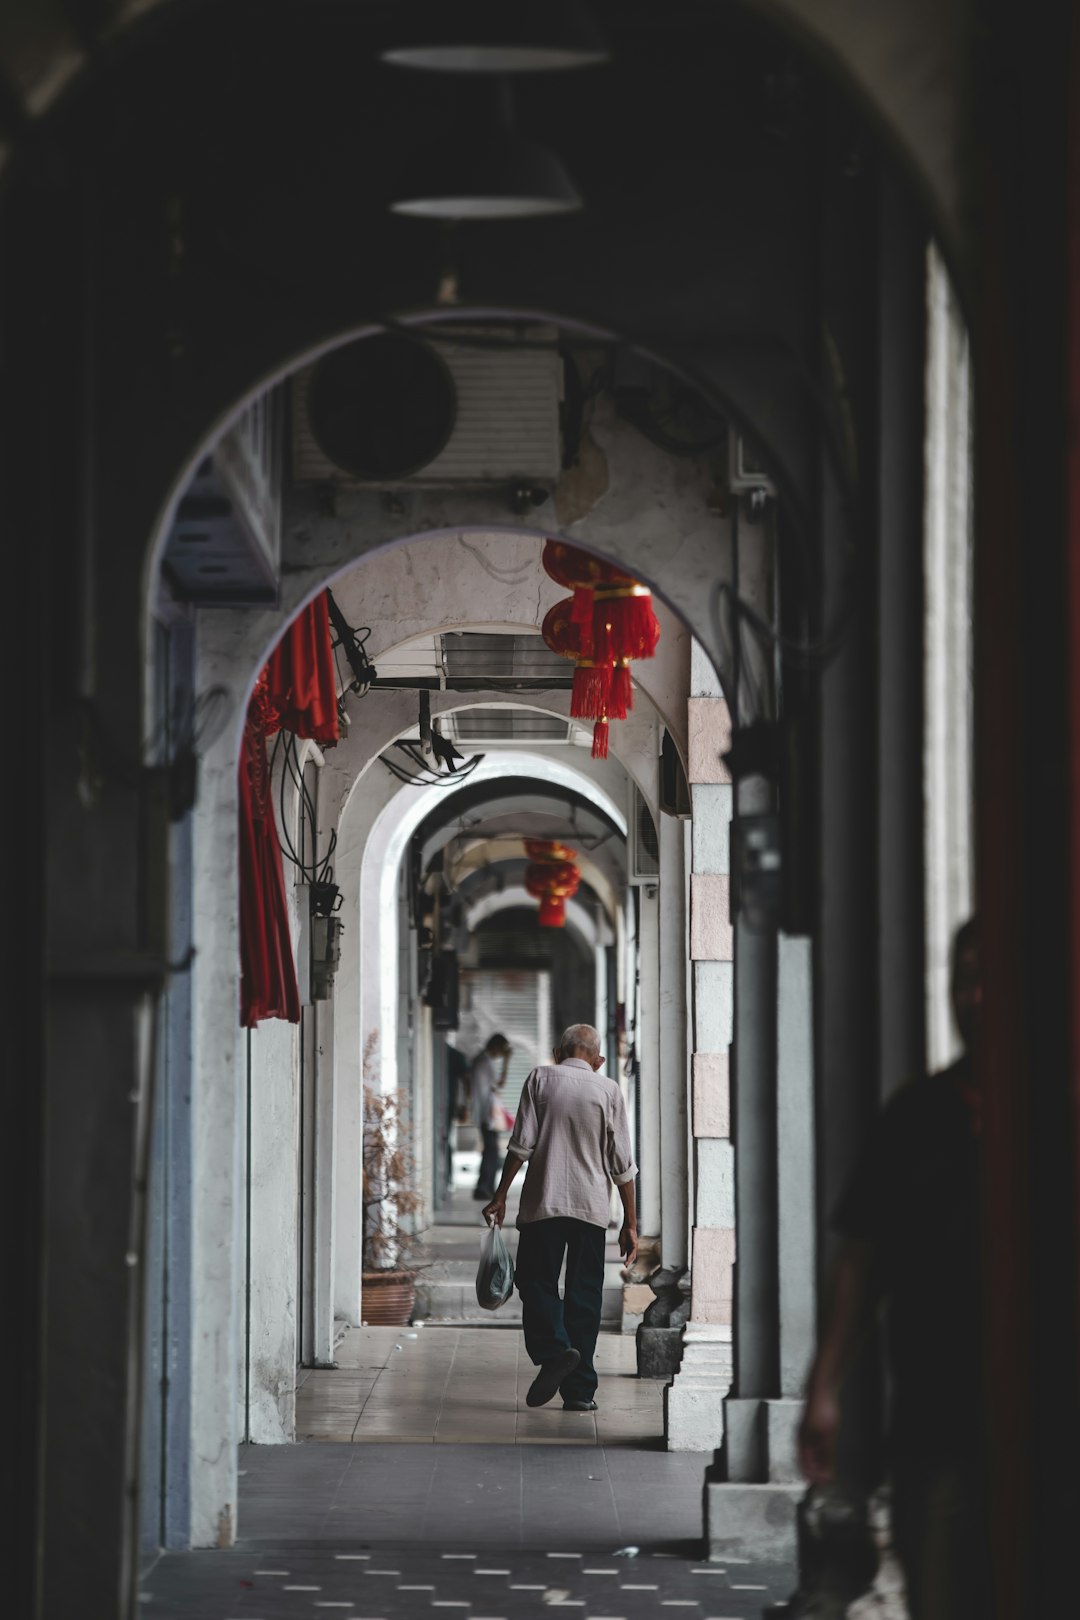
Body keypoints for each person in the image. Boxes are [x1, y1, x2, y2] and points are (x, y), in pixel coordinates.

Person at [798, 919, 986, 1619]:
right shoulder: (918, 1114)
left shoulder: (1056, 1110)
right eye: (965, 979)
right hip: (933, 1413)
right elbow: (862, 1259)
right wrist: (825, 1385)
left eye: (993, 977)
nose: (977, 997)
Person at [482, 1023, 638, 1412]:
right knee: (585, 1296)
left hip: (543, 1205)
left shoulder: (540, 1078)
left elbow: (520, 1145)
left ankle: (554, 1352)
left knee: (536, 1282)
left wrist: (500, 1196)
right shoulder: (609, 1090)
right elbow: (623, 1166)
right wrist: (631, 1223)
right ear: (599, 1060)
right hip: (592, 1210)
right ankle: (580, 1391)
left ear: (557, 1051)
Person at [469, 1032, 512, 1202]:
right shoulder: (484, 1062)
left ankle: (485, 1186)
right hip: (487, 1114)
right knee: (491, 1152)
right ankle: (485, 1187)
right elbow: (497, 1085)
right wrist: (507, 1062)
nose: (501, 1054)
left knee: (490, 1151)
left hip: (486, 1113)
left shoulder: (483, 1061)